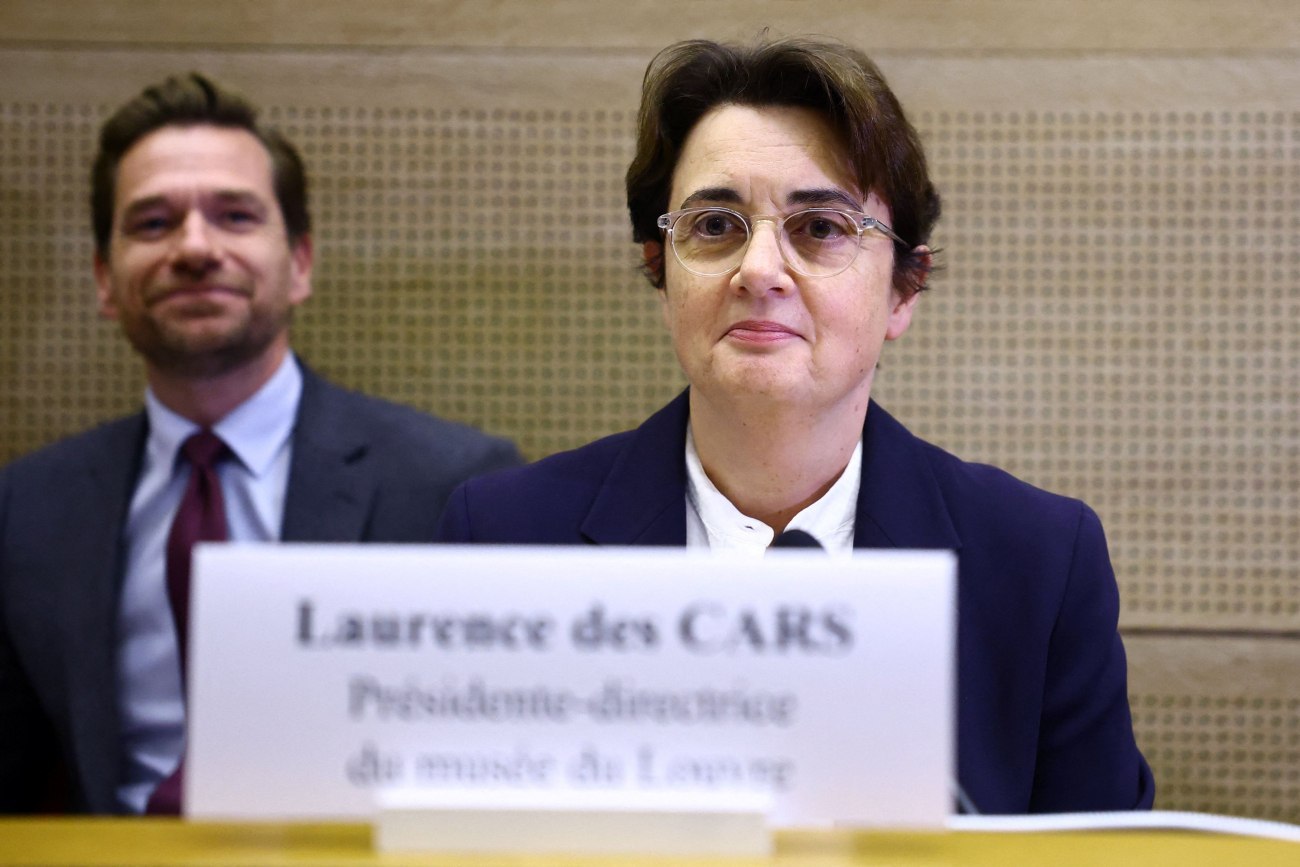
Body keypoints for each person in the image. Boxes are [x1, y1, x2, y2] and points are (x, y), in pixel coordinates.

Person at [437, 37, 1155, 814]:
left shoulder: (1039, 563)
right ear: (660, 272)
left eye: (819, 228)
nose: (759, 270)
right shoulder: (504, 540)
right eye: (716, 225)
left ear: (905, 289)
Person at [0, 73, 522, 814]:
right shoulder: (25, 507)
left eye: (235, 216)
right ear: (103, 279)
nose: (194, 247)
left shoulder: (453, 485)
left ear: (300, 262)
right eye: (153, 223)